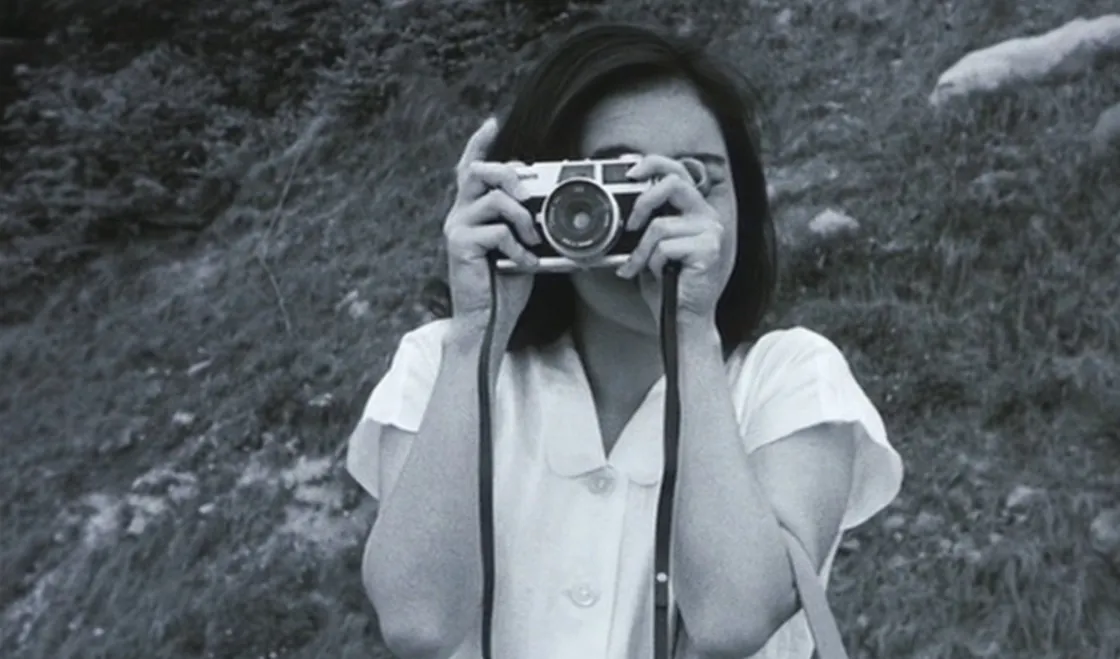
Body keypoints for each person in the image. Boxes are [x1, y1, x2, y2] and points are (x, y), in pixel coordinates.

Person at [345, 19, 904, 659]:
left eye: (695, 179)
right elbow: (418, 622)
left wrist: (691, 330)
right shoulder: (439, 364)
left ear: (740, 207)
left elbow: (732, 618)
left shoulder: (792, 378)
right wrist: (477, 334)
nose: (658, 212)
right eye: (617, 182)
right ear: (539, 198)